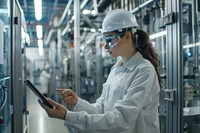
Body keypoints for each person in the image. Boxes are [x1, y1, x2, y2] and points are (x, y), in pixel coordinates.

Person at [39, 9, 161, 133]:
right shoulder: (116, 69)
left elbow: (121, 120)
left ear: (127, 36)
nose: (105, 45)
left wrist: (67, 116)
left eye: (109, 40)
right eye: (104, 40)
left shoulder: (144, 71)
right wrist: (78, 103)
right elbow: (101, 109)